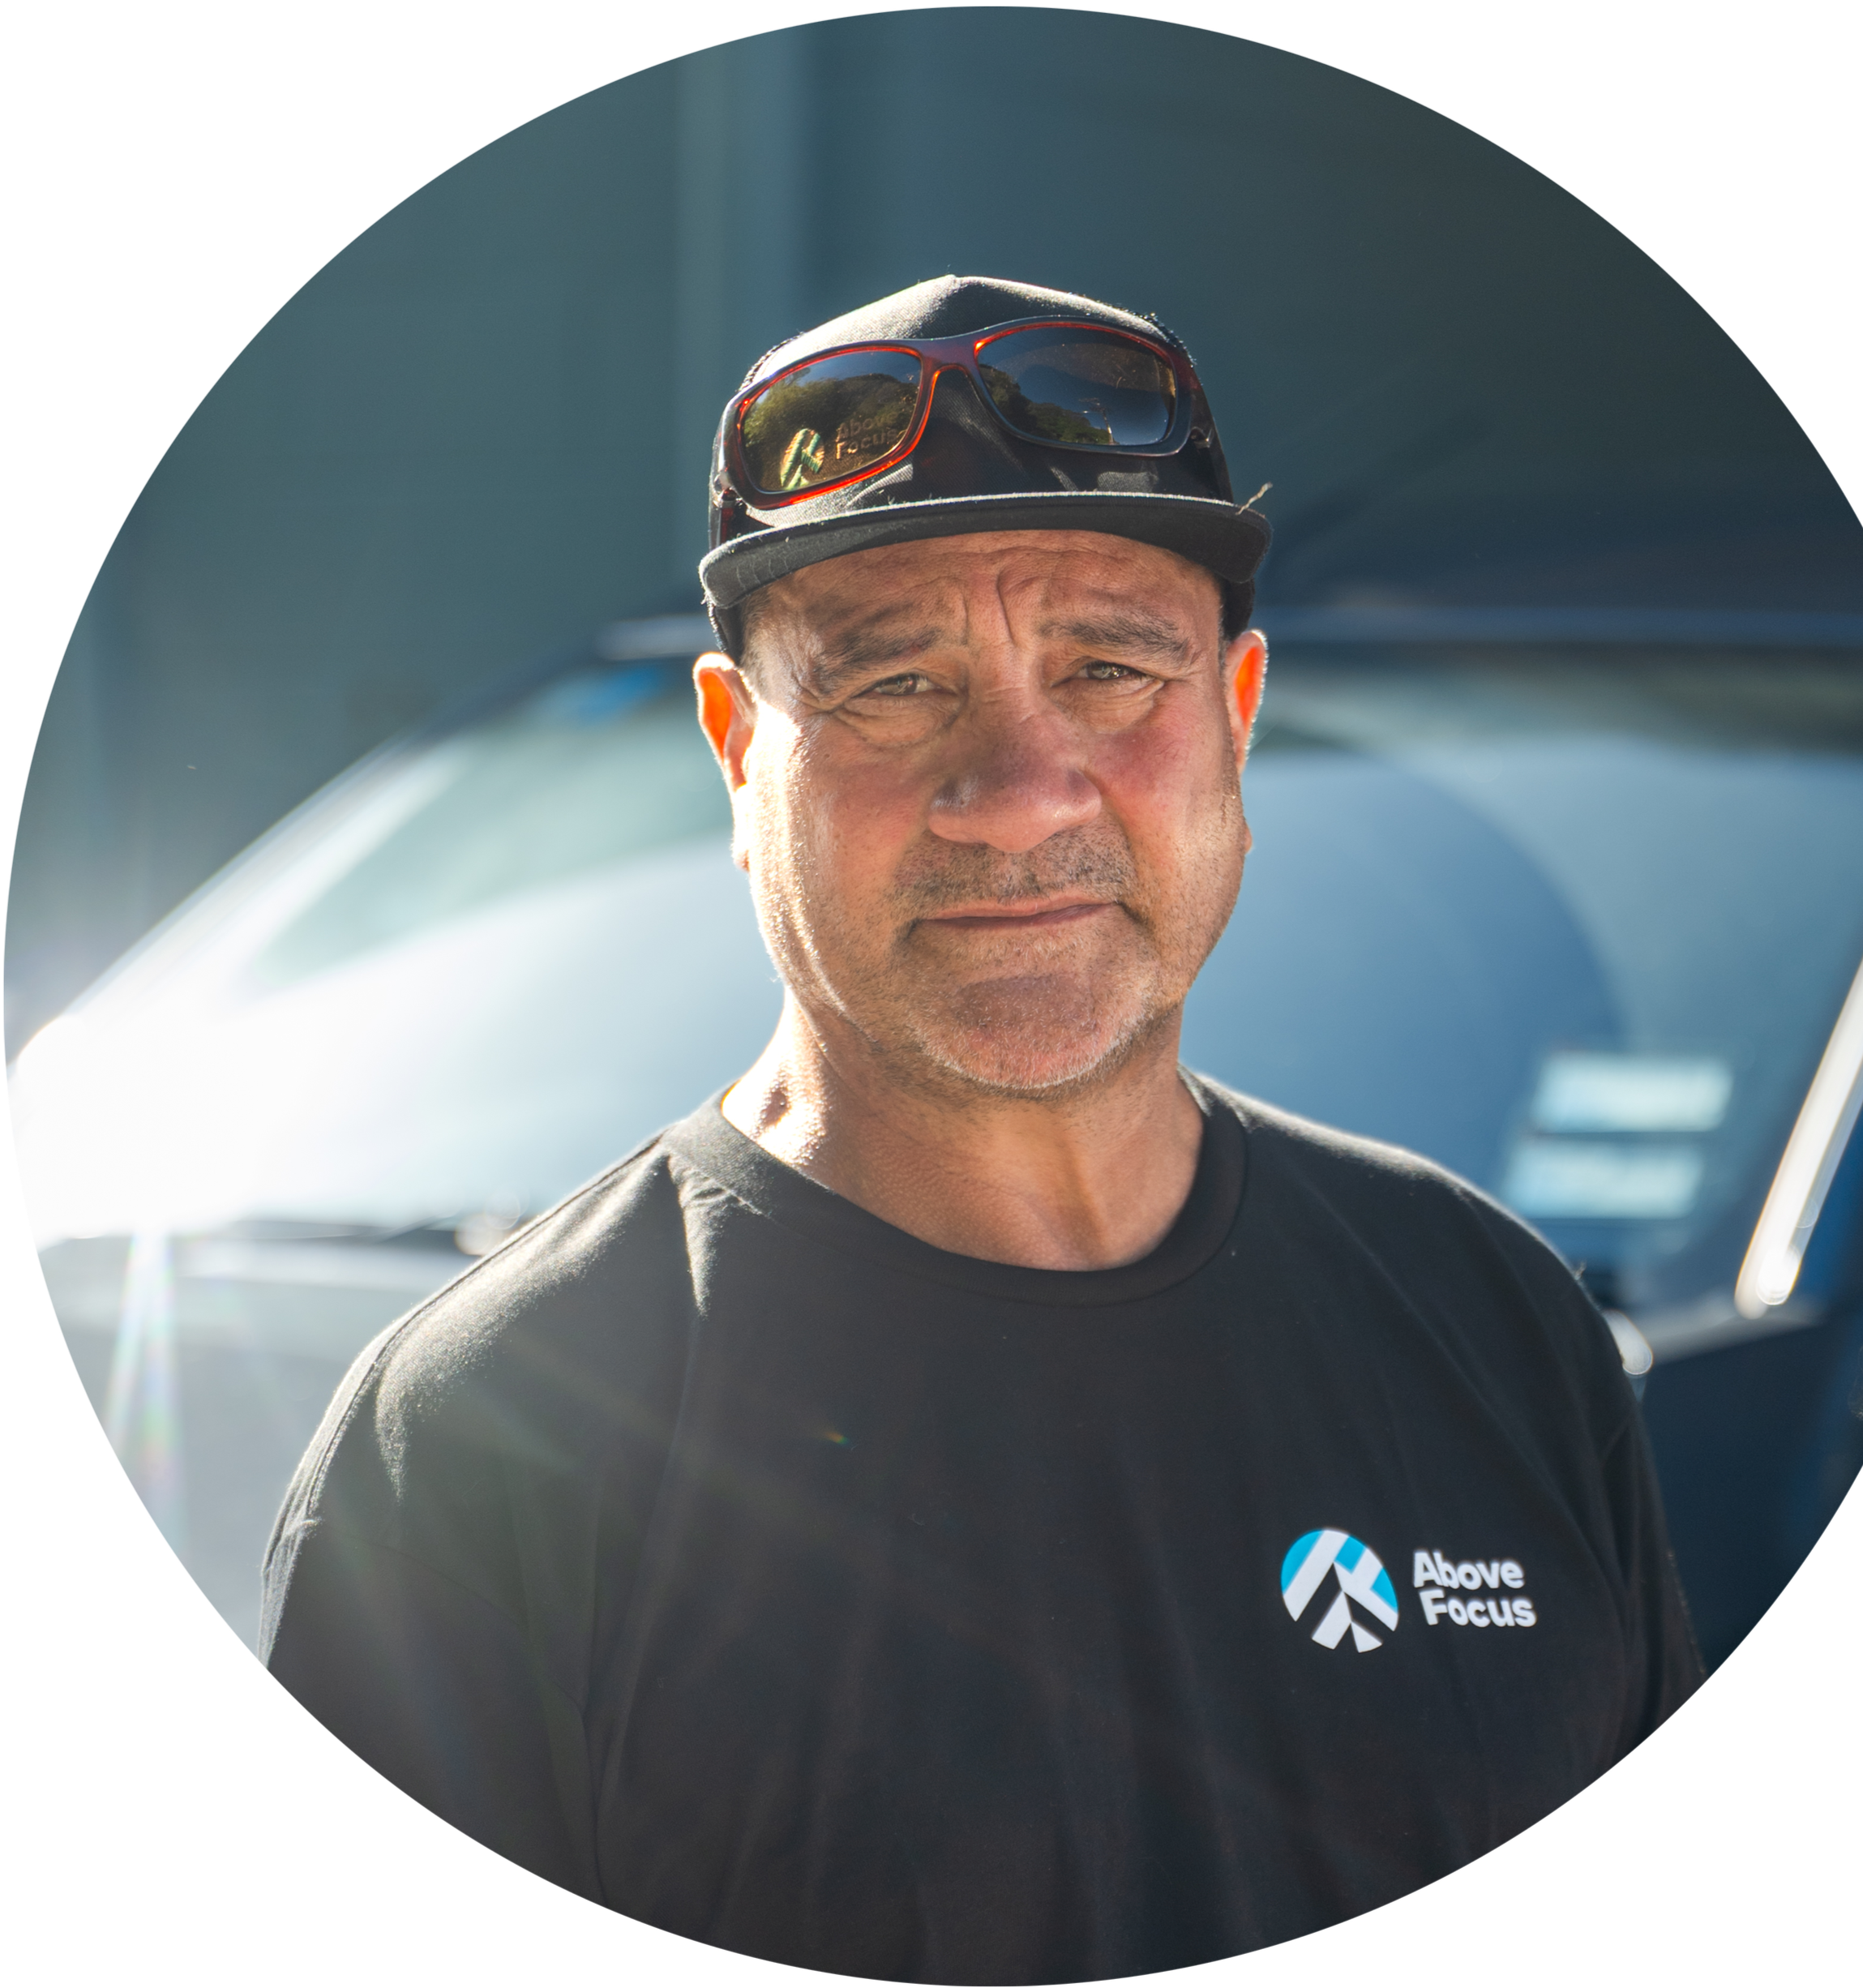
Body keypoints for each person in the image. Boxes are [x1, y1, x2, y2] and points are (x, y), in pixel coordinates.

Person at [261, 275, 1702, 1977]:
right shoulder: (494, 1440)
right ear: (737, 753)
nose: (1019, 791)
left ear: (1236, 719)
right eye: (894, 686)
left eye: (1109, 668)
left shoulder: (1492, 1325)